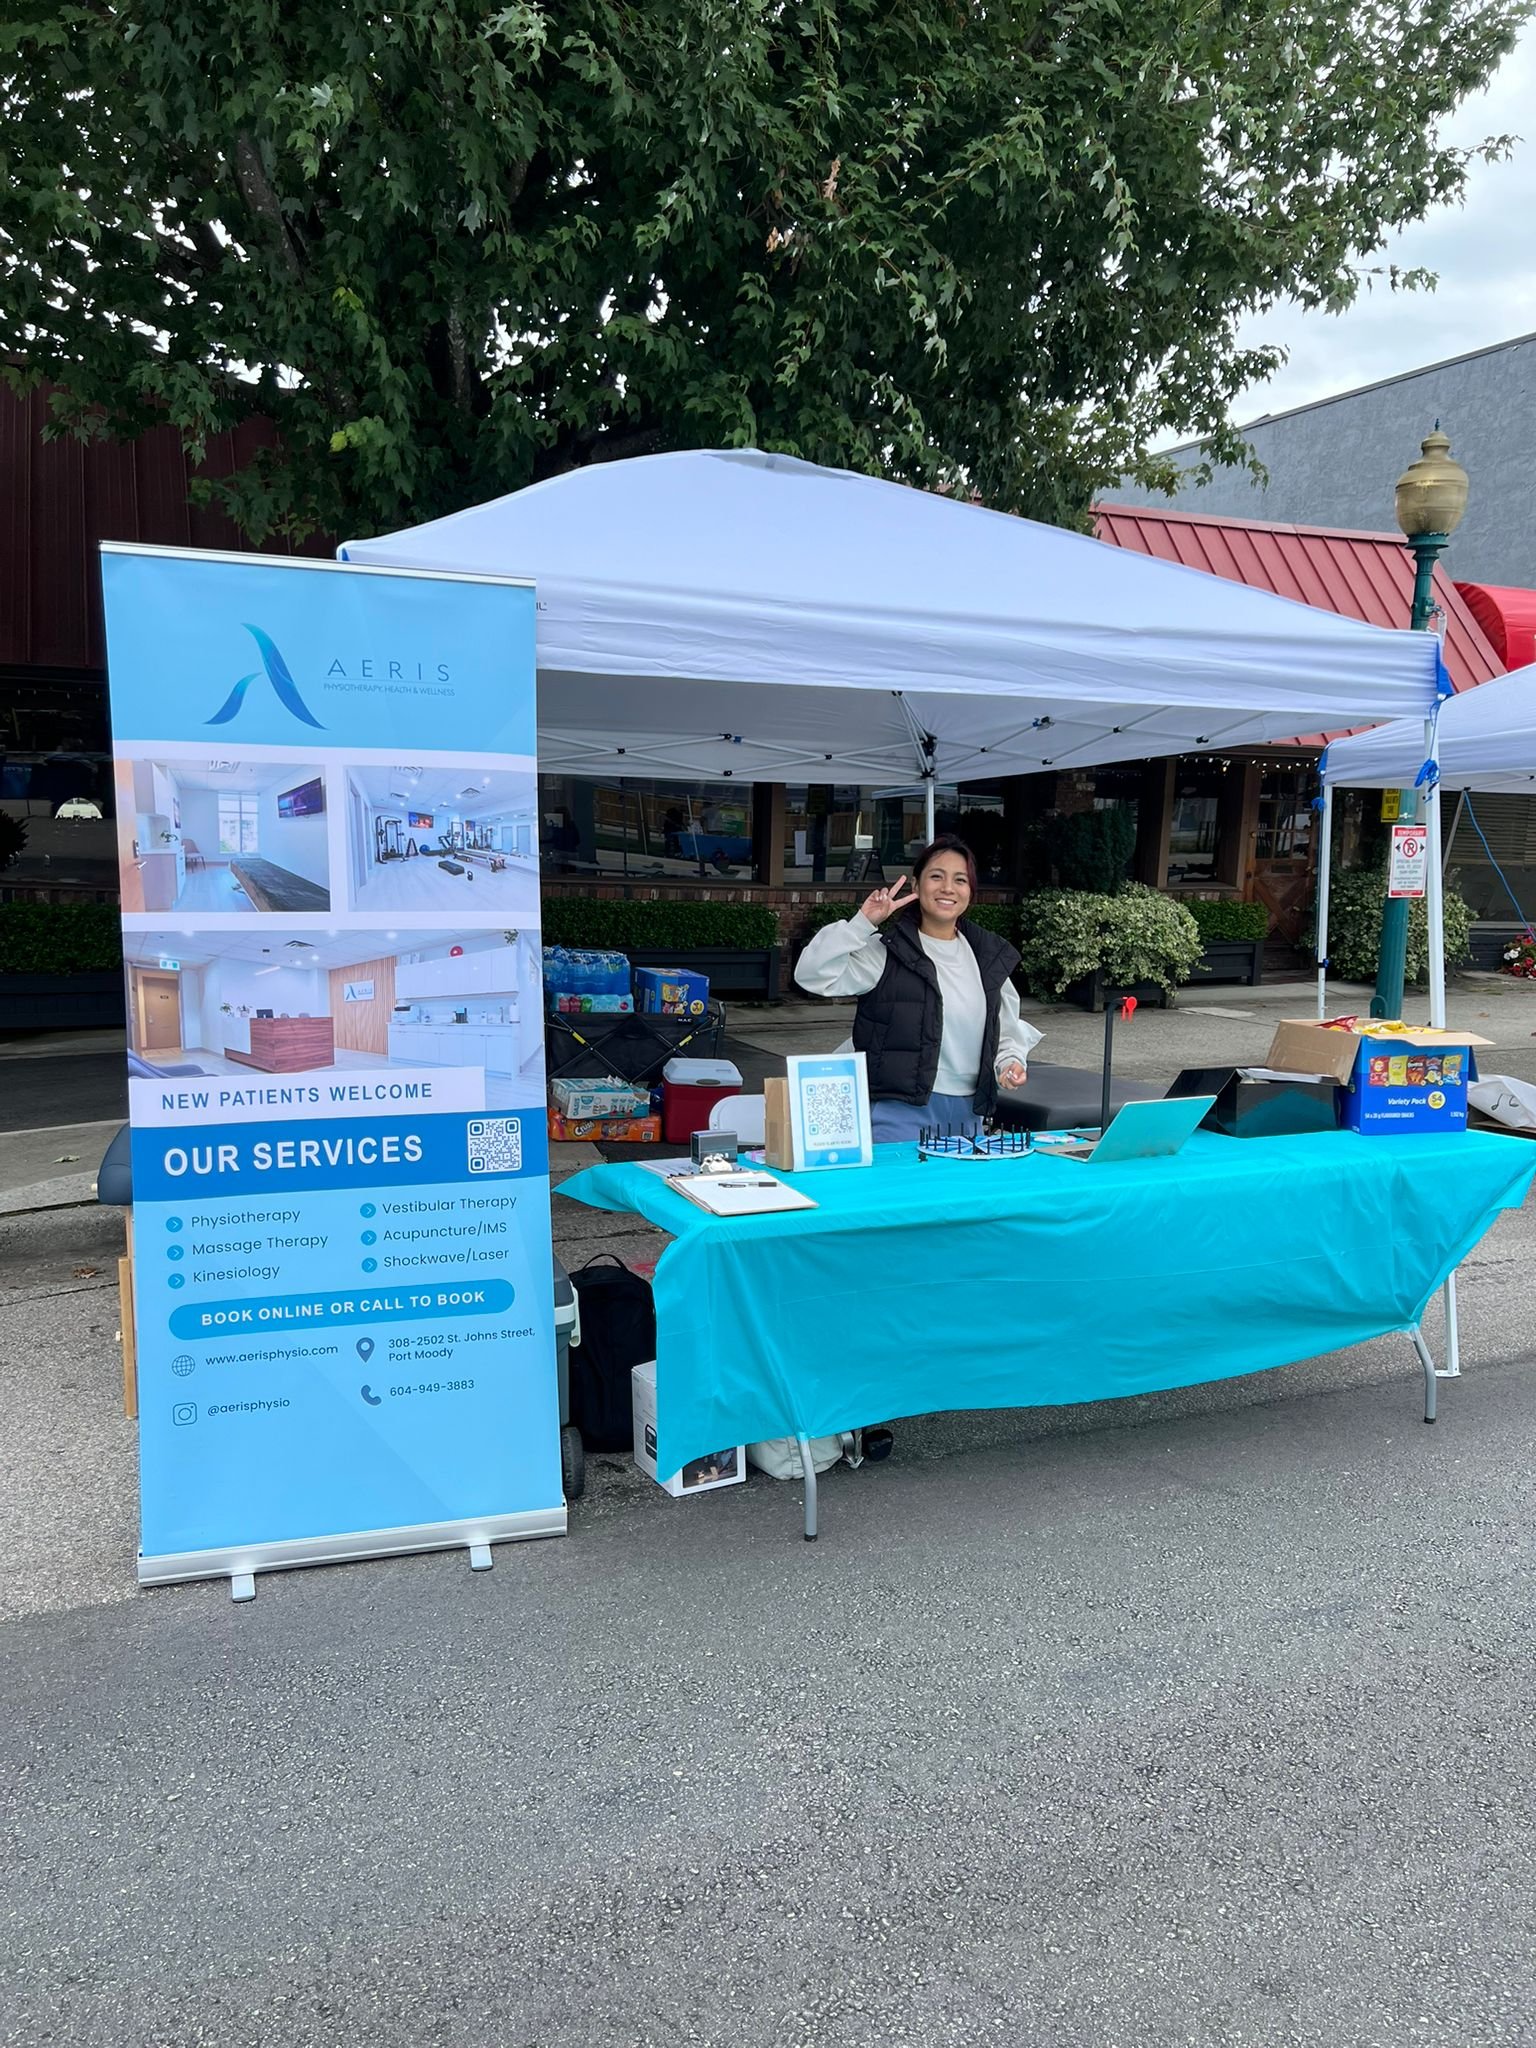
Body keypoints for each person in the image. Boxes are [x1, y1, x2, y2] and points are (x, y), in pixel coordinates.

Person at [795, 834, 1040, 1144]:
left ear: (970, 892)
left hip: (969, 1114)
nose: (948, 888)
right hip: (899, 1113)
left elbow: (1005, 1030)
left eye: (960, 880)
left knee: (958, 1193)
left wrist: (1009, 1064)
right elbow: (811, 975)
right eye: (936, 876)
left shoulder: (988, 957)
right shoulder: (886, 951)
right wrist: (862, 923)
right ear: (915, 885)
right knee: (900, 1192)